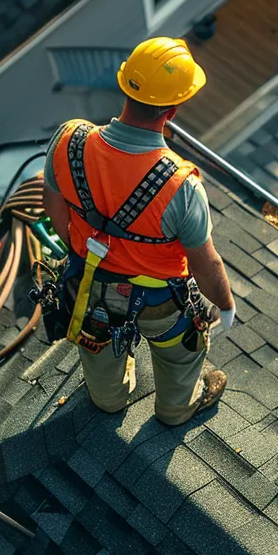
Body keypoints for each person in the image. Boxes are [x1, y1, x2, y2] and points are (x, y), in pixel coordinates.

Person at [39, 37, 236, 426]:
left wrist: (84, 251)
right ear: (173, 112)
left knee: (98, 349)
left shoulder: (69, 141)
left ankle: (111, 399)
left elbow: (53, 203)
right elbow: (204, 261)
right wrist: (226, 305)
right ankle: (175, 410)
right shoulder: (180, 185)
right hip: (160, 300)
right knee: (180, 353)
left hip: (89, 287)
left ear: (125, 85)